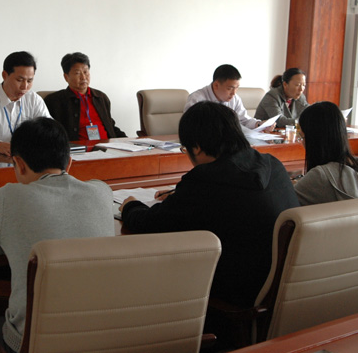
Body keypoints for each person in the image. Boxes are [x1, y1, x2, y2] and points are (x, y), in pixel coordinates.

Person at [0, 117, 114, 353]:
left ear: (18, 163)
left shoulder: (11, 197)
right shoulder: (102, 192)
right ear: (69, 163)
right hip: (100, 342)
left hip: (31, 345)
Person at [120, 101, 299, 307]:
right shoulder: (272, 165)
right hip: (282, 290)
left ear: (197, 147)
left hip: (232, 296)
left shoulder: (205, 181)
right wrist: (181, 198)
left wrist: (131, 206)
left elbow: (151, 225)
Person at [294, 101, 358, 205]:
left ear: (314, 139)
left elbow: (285, 202)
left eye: (302, 137)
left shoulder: (320, 176)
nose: (302, 143)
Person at [44, 52, 126, 140]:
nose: (83, 77)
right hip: (78, 148)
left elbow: (111, 126)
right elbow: (51, 134)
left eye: (86, 72)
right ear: (66, 77)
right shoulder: (55, 101)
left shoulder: (100, 97)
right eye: (77, 73)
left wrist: (128, 141)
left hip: (108, 146)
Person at [184, 64, 267, 130]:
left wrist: (259, 124)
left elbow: (244, 120)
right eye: (230, 88)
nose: (233, 93)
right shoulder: (197, 99)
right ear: (216, 85)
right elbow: (189, 127)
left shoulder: (235, 99)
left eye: (237, 88)